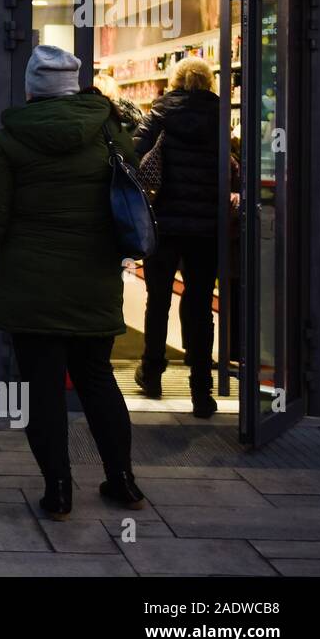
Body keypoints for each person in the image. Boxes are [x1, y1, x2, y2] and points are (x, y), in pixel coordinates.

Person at [0, 45, 143, 521]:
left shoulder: (13, 136)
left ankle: (58, 492)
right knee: (98, 382)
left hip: (30, 287)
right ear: (74, 86)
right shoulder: (109, 130)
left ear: (32, 88)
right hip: (93, 281)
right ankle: (122, 481)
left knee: (41, 391)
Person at [132, 57, 221, 418]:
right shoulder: (220, 116)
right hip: (205, 226)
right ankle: (201, 389)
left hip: (164, 221)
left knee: (158, 300)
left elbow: (134, 153)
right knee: (199, 305)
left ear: (176, 80)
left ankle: (152, 373)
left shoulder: (159, 114)